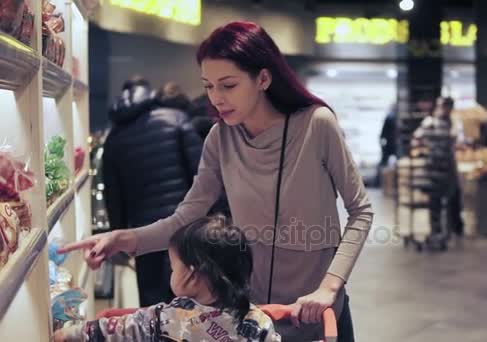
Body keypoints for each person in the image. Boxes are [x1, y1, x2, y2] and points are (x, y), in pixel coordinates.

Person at [60, 21, 374, 341]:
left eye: (228, 85)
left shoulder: (317, 125)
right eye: (209, 86)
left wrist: (330, 287)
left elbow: (361, 211)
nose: (216, 98)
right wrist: (123, 238)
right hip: (251, 322)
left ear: (263, 78)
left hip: (317, 312)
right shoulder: (220, 138)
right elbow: (187, 216)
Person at [53, 216, 281, 342]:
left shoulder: (168, 317)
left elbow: (118, 329)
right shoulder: (258, 322)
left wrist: (70, 334)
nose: (171, 272)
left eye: (173, 267)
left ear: (192, 275)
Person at [103, 76, 204, 306]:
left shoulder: (114, 139)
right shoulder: (176, 119)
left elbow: (114, 198)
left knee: (153, 306)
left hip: (144, 234)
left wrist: (118, 235)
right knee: (191, 301)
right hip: (184, 227)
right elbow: (202, 175)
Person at [412, 96, 464, 238]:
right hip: (433, 168)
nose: (444, 109)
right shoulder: (430, 122)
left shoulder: (453, 123)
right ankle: (437, 230)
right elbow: (416, 140)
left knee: (451, 199)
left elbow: (458, 143)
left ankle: (452, 230)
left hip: (449, 167)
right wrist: (424, 150)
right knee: (435, 201)